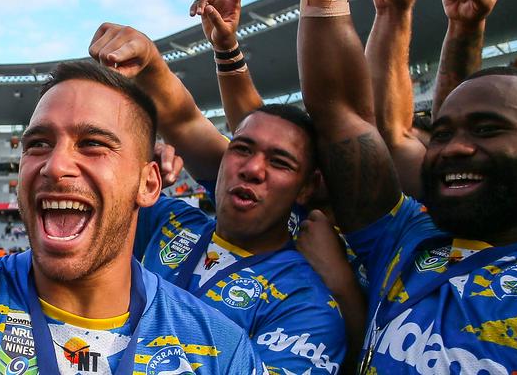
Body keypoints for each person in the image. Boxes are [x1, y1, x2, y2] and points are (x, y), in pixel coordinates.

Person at [286, 0, 517, 372]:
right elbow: (340, 112)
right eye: (441, 133)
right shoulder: (407, 238)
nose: (454, 148)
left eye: (488, 130)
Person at [0, 61, 265, 374]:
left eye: (92, 143)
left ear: (148, 184)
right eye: (38, 143)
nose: (55, 166)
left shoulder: (222, 350)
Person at [90, 19, 347, 373]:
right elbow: (94, 192)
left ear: (306, 187)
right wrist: (134, 164)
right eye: (241, 148)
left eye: (280, 162)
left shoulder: (305, 303)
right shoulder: (167, 220)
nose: (253, 169)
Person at [364, 0, 517, 199]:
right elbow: (391, 134)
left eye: (487, 130)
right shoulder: (419, 228)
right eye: (440, 138)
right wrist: (393, 10)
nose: (454, 151)